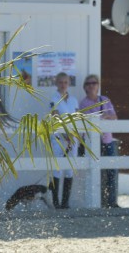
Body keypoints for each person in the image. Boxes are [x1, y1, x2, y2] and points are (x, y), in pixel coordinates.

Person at [79, 74, 119, 208]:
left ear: (98, 85)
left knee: (111, 171)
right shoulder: (83, 103)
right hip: (91, 143)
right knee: (94, 172)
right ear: (85, 86)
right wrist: (103, 117)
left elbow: (114, 117)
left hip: (107, 140)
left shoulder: (105, 100)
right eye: (89, 83)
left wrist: (104, 116)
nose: (91, 85)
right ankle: (98, 202)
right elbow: (85, 122)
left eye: (94, 83)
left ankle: (112, 202)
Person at [49, 72, 79, 209]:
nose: (63, 85)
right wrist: (66, 134)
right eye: (60, 82)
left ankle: (65, 202)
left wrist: (75, 135)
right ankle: (56, 203)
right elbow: (55, 116)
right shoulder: (53, 98)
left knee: (69, 169)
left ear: (68, 83)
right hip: (58, 137)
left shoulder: (73, 100)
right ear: (56, 83)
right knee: (57, 168)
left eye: (65, 82)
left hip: (73, 138)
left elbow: (78, 118)